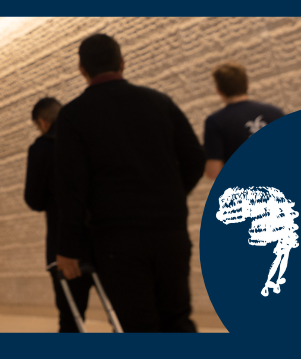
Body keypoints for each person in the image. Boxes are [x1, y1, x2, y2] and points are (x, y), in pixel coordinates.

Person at [52, 34, 206, 332]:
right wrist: (170, 196)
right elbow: (195, 159)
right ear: (122, 63)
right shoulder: (159, 102)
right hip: (169, 230)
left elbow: (71, 188)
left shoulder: (72, 117)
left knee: (137, 324)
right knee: (176, 318)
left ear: (81, 69)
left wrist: (67, 247)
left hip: (116, 238)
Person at [24, 97, 94, 332]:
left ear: (43, 122)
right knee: (124, 312)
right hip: (105, 241)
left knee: (71, 317)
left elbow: (33, 200)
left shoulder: (42, 148)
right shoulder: (89, 138)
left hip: (65, 245)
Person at [203, 61, 285, 179]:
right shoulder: (275, 112)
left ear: (219, 90)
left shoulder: (215, 122)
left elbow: (213, 172)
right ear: (247, 85)